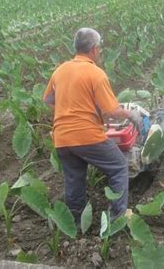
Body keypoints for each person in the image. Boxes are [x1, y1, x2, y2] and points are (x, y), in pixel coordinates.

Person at [42, 27, 141, 223]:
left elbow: (48, 100)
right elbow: (112, 111)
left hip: (62, 138)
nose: (101, 52)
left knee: (74, 179)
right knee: (119, 166)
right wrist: (132, 115)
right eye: (100, 48)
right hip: (86, 135)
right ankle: (116, 220)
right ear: (94, 49)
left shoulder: (60, 70)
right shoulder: (95, 73)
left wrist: (67, 113)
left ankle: (75, 223)